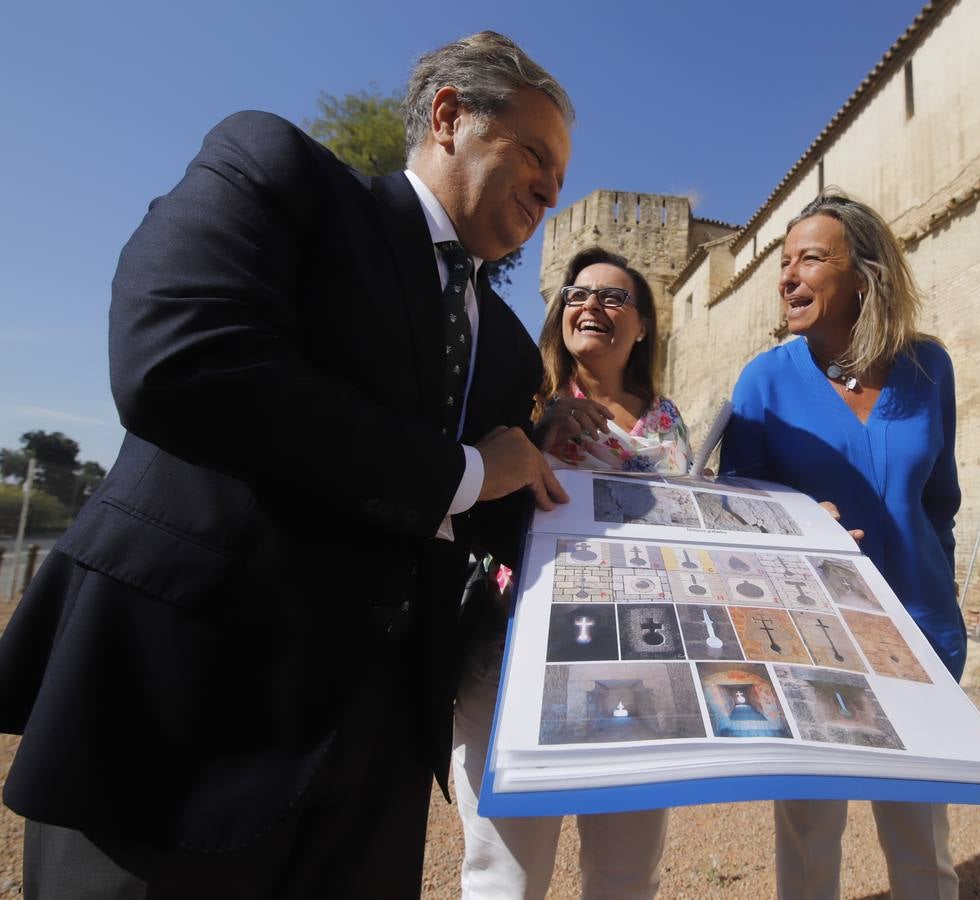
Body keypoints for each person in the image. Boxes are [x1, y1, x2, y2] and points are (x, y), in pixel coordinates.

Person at [0, 31, 573, 899]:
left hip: (371, 761)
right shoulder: (281, 172)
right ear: (452, 116)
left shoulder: (506, 352)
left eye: (561, 178)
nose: (549, 188)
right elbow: (178, 363)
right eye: (536, 154)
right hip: (180, 711)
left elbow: (495, 512)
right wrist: (458, 472)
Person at [721, 193, 962, 900]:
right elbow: (736, 512)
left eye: (811, 259)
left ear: (864, 275)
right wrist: (798, 520)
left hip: (919, 633)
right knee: (809, 837)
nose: (788, 276)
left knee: (923, 841)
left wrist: (939, 600)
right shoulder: (763, 381)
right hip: (808, 640)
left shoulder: (929, 369)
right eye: (784, 262)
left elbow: (940, 499)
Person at [450, 247, 689, 899]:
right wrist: (537, 432)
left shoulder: (669, 422)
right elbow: (466, 498)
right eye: (579, 293)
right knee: (506, 875)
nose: (593, 305)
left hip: (636, 667)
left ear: (641, 327)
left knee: (627, 876)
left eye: (615, 298)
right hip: (514, 663)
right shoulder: (514, 397)